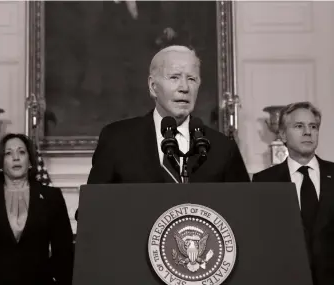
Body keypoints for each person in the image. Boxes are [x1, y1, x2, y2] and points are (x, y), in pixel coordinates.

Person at [87, 45, 250, 184]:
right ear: (153, 87)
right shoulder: (117, 140)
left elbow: (243, 211)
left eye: (192, 79)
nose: (184, 88)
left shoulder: (223, 148)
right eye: (174, 77)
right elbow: (92, 211)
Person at [252, 102, 334, 285]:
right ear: (282, 135)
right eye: (299, 126)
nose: (308, 132)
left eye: (313, 126)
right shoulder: (264, 181)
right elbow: (262, 240)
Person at [0, 133, 74, 285]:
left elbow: (64, 251)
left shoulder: (51, 197)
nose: (16, 157)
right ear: (1, 163)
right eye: (9, 153)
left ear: (30, 161)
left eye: (21, 152)